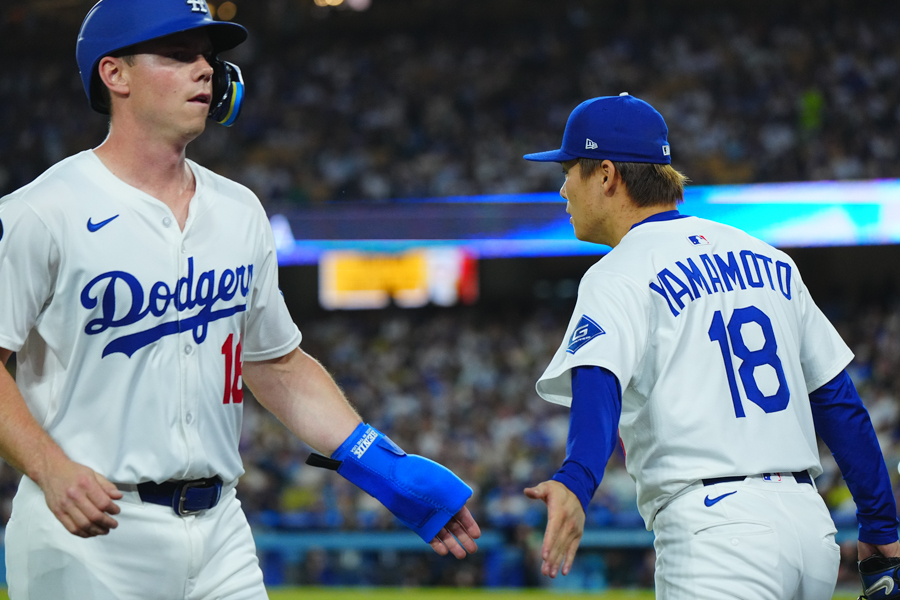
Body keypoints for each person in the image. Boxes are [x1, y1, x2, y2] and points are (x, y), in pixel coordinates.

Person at [0, 0, 479, 597]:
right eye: (179, 55)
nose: (206, 69)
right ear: (114, 74)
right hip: (89, 533)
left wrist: (386, 468)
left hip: (220, 530)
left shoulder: (238, 209)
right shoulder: (42, 212)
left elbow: (275, 363)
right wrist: (47, 466)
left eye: (208, 57)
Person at [521, 93, 899, 598]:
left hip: (716, 535)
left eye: (568, 170)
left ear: (606, 174)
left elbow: (598, 384)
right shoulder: (769, 257)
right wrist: (881, 524)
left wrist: (576, 479)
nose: (563, 188)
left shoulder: (617, 273)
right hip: (811, 532)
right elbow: (837, 401)